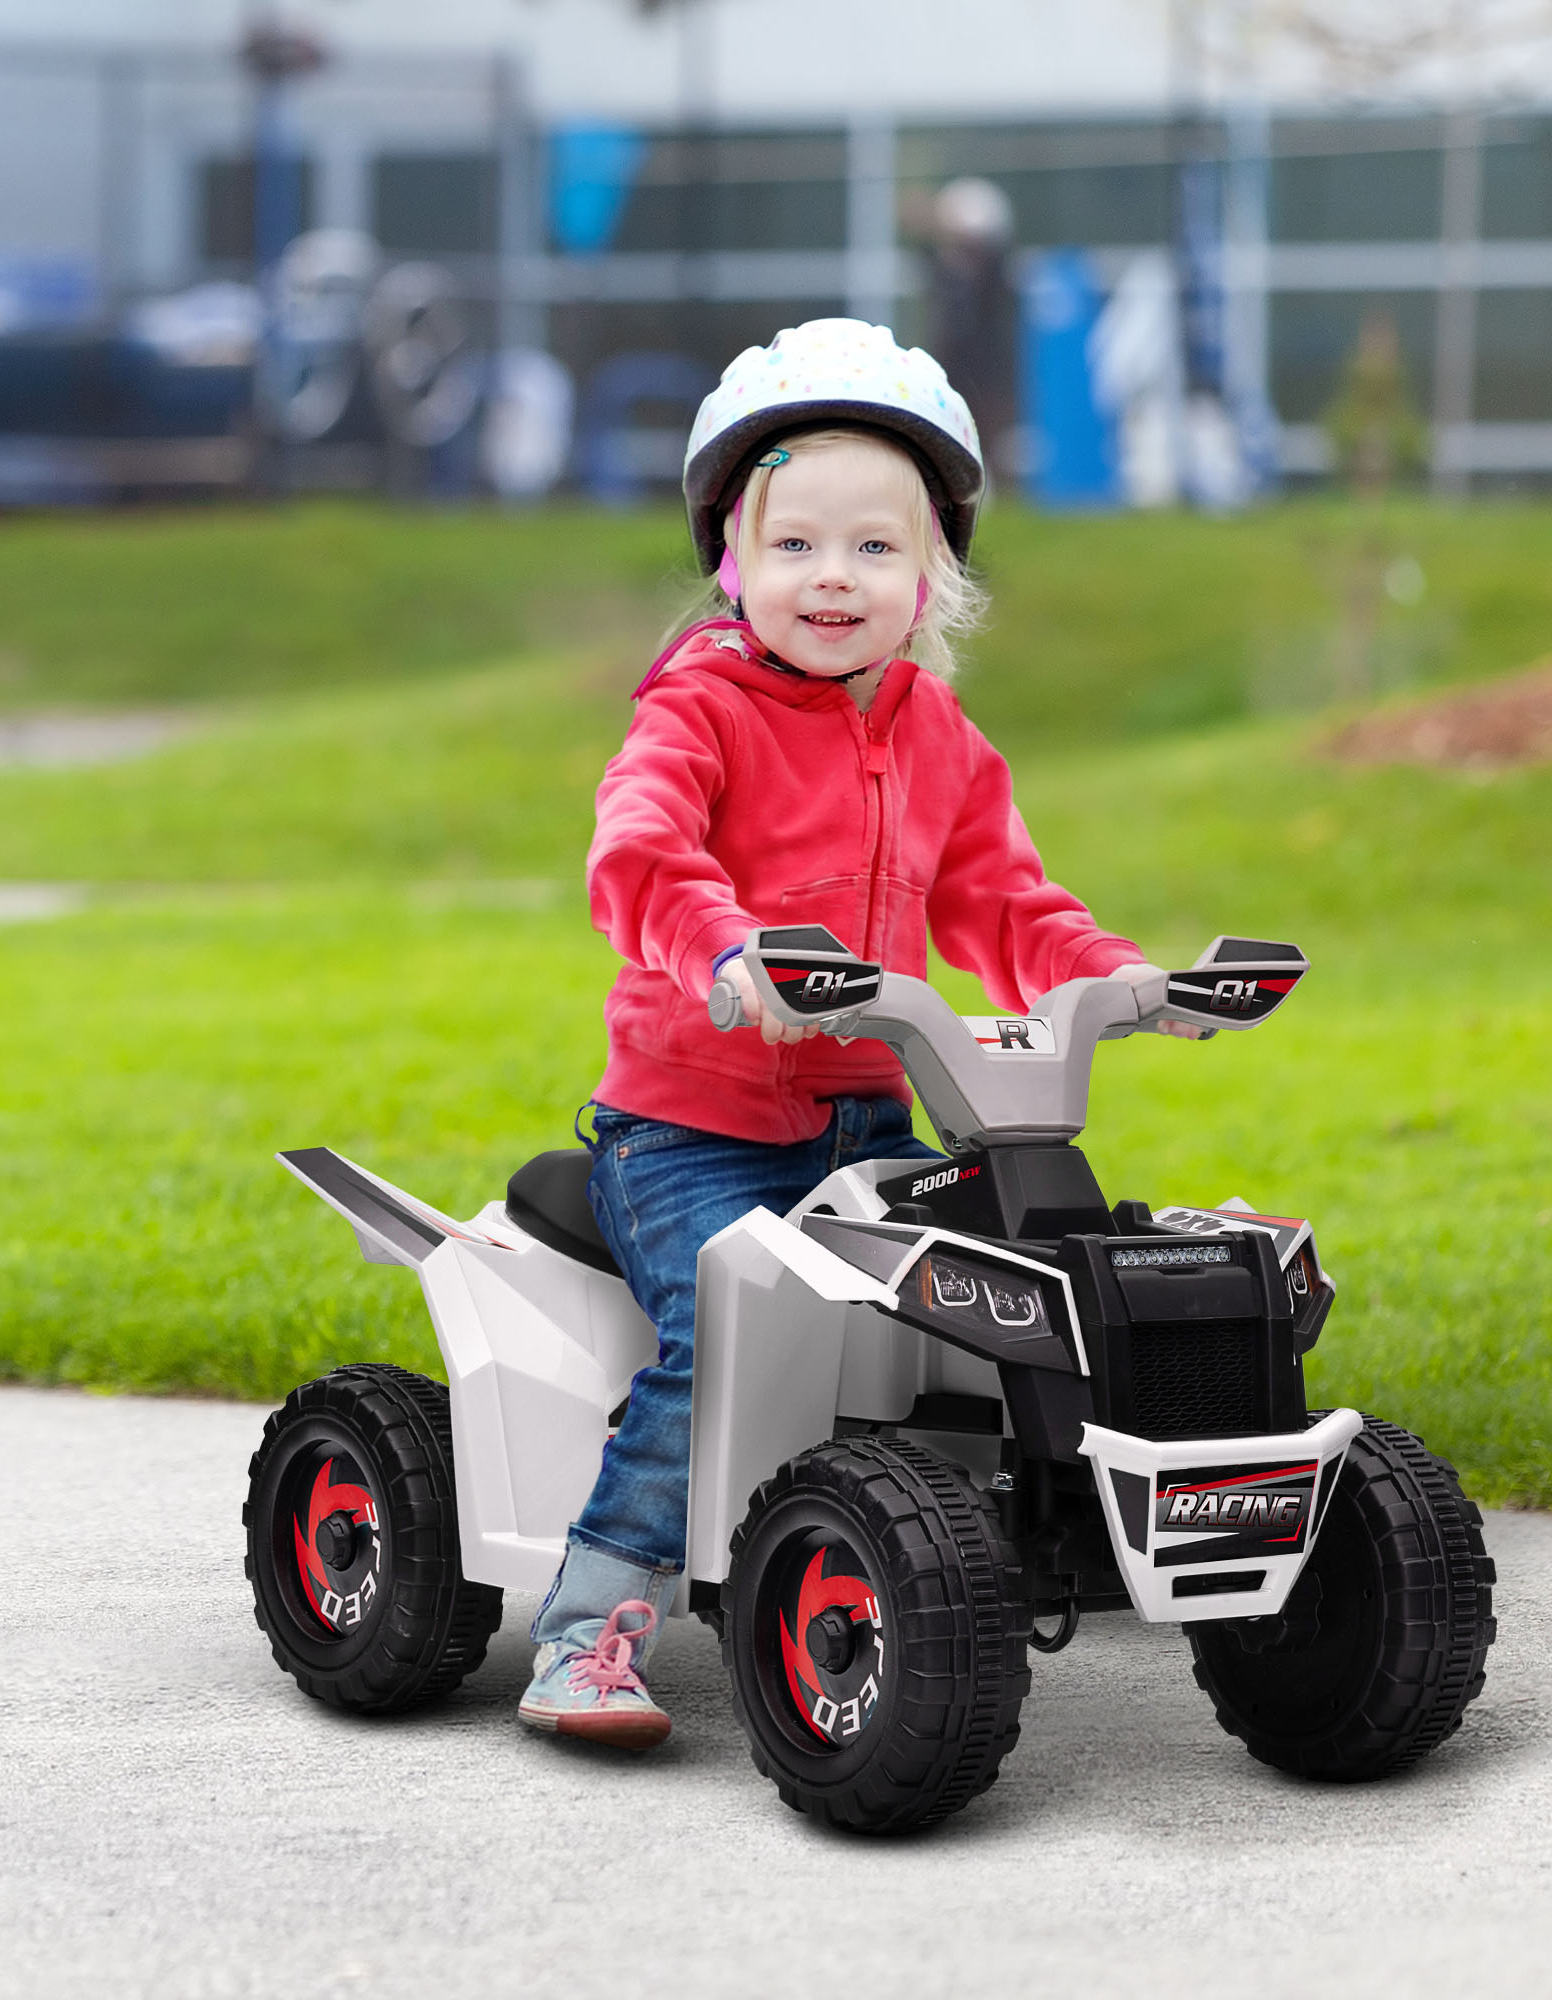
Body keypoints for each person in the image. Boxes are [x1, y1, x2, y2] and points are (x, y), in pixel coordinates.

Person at [517, 317, 1180, 1750]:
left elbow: (1004, 899)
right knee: (716, 1338)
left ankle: (966, 1555)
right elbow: (638, 853)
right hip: (690, 1128)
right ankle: (591, 1620)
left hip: (872, 1115)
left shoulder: (936, 731)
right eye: (797, 545)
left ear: (934, 571)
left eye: (877, 550)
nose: (835, 577)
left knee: (989, 1310)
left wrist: (1117, 978)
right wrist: (722, 948)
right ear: (730, 564)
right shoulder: (698, 708)